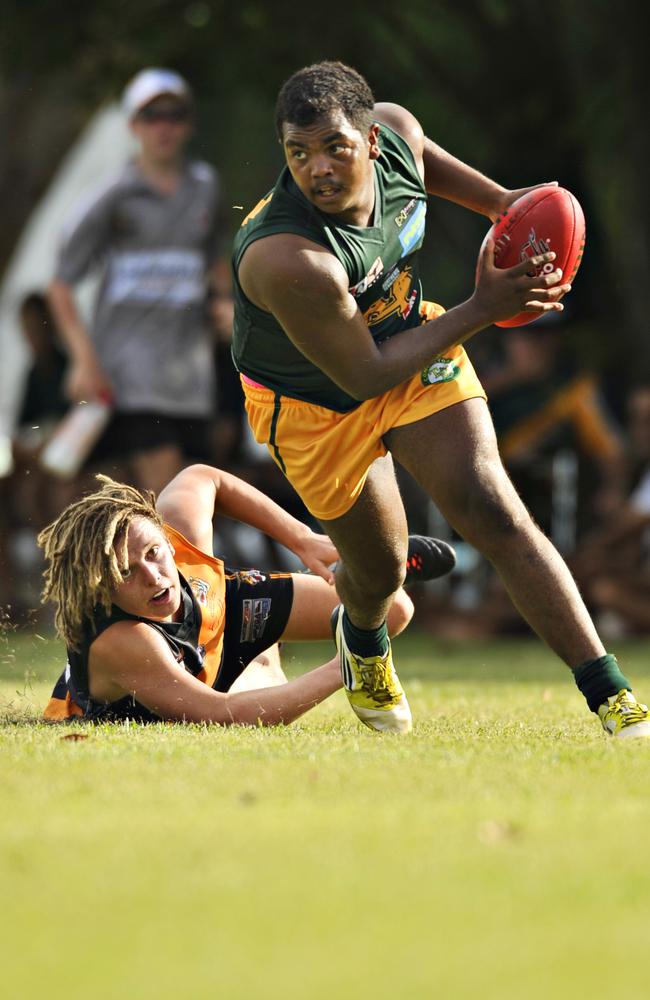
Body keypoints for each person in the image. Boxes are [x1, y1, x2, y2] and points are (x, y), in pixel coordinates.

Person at [231, 60, 650, 739]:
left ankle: (611, 693)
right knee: (377, 571)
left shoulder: (395, 131)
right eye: (298, 154)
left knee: (491, 505)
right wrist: (484, 307)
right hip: (316, 402)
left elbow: (420, 153)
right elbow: (363, 376)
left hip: (410, 337)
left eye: (335, 146)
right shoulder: (287, 258)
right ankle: (362, 635)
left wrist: (503, 203)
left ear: (369, 140)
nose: (319, 170)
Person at [39, 462, 453, 725]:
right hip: (200, 687)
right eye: (126, 572)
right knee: (259, 687)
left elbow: (204, 476)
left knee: (393, 609)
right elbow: (223, 716)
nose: (153, 575)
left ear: (167, 539)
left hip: (217, 612)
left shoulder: (179, 538)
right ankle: (266, 657)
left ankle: (364, 570)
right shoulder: (124, 640)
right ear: (100, 587)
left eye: (153, 553)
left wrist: (304, 539)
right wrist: (351, 664)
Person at [48, 68, 232, 495]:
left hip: (192, 379)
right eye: (152, 116)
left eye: (175, 114)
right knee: (172, 500)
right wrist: (83, 359)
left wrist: (224, 303)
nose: (164, 126)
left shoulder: (205, 186)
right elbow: (61, 286)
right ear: (133, 125)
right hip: (128, 378)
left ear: (190, 122)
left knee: (169, 498)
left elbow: (214, 261)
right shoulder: (112, 193)